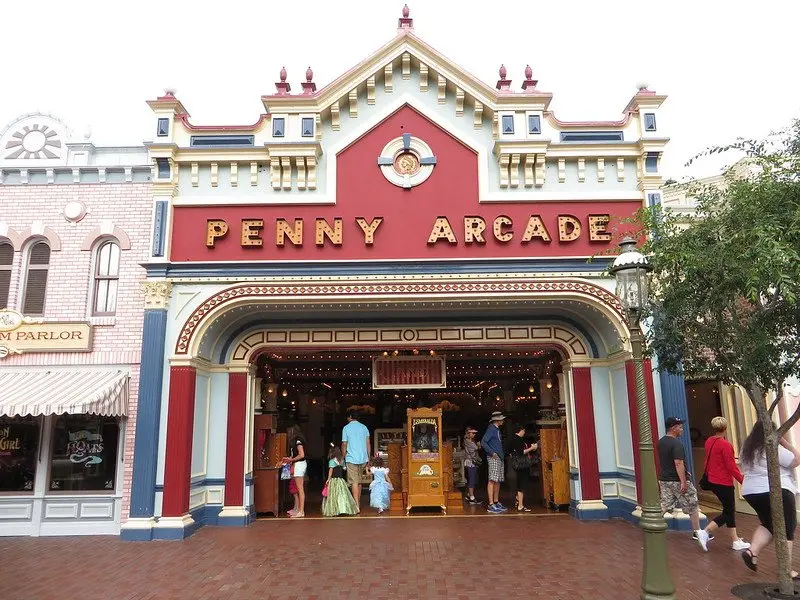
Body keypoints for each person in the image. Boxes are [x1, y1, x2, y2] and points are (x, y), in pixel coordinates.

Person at [739, 421, 800, 575]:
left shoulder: (747, 449)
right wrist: (784, 441)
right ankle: (786, 571)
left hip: (751, 492)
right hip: (778, 490)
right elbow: (796, 460)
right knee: (788, 527)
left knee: (768, 523)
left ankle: (752, 553)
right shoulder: (773, 447)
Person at [698, 416, 750, 551]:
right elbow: (731, 466)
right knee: (728, 512)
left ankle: (735, 540)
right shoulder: (726, 445)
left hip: (713, 480)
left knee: (729, 510)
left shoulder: (709, 441)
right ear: (725, 428)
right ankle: (705, 531)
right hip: (723, 482)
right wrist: (743, 480)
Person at [658, 417, 707, 549]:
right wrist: (683, 481)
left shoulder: (661, 442)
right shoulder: (676, 444)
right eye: (680, 427)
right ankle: (697, 531)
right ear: (673, 428)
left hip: (665, 479)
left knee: (665, 503)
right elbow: (678, 463)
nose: (682, 429)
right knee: (692, 504)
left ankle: (653, 524)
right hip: (676, 480)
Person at [341, 410, 371, 512]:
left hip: (351, 457)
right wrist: (368, 458)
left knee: (354, 482)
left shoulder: (346, 428)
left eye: (347, 417)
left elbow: (344, 444)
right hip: (363, 458)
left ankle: (356, 506)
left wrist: (343, 456)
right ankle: (357, 503)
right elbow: (368, 443)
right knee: (359, 481)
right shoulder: (364, 427)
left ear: (350, 416)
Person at [481, 411, 508, 513]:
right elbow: (484, 442)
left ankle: (496, 502)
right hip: (494, 458)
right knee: (492, 479)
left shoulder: (496, 429)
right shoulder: (492, 429)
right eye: (501, 419)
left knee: (497, 480)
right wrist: (492, 453)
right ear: (497, 420)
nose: (502, 420)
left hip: (498, 457)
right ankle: (491, 504)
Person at [322, 444, 358, 517]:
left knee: (334, 495)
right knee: (343, 494)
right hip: (341, 480)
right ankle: (344, 509)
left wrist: (328, 479)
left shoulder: (332, 461)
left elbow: (330, 471)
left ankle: (335, 510)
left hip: (334, 480)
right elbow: (344, 469)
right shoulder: (342, 461)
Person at [509, 424, 538, 512]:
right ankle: (520, 505)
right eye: (524, 431)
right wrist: (532, 448)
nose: (524, 433)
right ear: (520, 430)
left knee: (521, 482)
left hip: (520, 464)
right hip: (522, 464)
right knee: (521, 484)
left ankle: (518, 500)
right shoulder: (517, 440)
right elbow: (521, 452)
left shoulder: (515, 439)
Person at [282, 425, 307, 518]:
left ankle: (301, 511)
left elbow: (301, 454)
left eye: (289, 431)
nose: (288, 433)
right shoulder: (298, 441)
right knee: (299, 488)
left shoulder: (298, 441)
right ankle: (299, 510)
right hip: (299, 464)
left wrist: (291, 460)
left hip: (299, 465)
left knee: (300, 489)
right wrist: (290, 459)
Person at [463, 426, 482, 505]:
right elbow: (476, 447)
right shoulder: (467, 441)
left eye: (474, 433)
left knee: (473, 478)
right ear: (468, 433)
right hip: (470, 462)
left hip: (472, 461)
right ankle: (471, 497)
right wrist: (478, 446)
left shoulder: (471, 440)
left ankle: (469, 495)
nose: (474, 434)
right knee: (472, 479)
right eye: (472, 433)